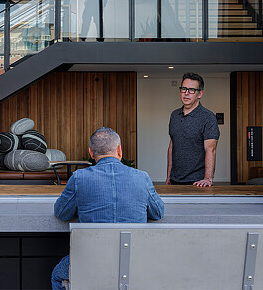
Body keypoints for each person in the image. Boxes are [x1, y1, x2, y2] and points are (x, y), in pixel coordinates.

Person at [51, 127, 163, 290]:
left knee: (58, 275)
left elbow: (61, 213)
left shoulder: (79, 178)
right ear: (119, 150)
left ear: (91, 152)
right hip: (134, 261)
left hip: (92, 261)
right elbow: (158, 213)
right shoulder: (142, 177)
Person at [166, 72, 220, 187]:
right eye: (184, 89)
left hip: (198, 182)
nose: (186, 93)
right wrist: (168, 176)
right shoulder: (174, 115)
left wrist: (208, 179)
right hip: (175, 180)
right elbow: (172, 146)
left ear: (199, 94)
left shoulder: (208, 117)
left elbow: (211, 149)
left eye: (191, 90)